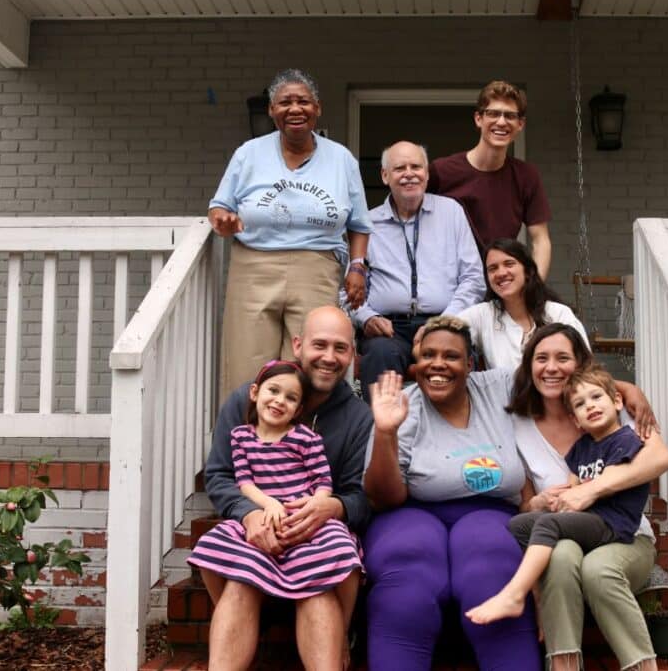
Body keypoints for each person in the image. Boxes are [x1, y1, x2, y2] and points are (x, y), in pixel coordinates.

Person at [363, 316, 541, 671]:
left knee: (489, 573)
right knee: (407, 584)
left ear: (471, 364)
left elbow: (559, 376)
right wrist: (386, 433)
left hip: (490, 512)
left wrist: (625, 389)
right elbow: (384, 498)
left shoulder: (498, 386)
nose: (438, 364)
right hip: (409, 511)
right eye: (428, 355)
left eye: (451, 356)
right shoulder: (402, 404)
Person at [201, 306, 372, 671]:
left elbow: (362, 497)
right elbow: (219, 475)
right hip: (258, 532)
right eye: (319, 345)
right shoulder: (247, 400)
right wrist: (249, 515)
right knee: (239, 581)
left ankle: (340, 638)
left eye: (340, 348)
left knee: (319, 588)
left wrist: (333, 507)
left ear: (352, 356)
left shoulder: (358, 417)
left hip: (315, 538)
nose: (329, 357)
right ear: (298, 345)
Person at [508, 323, 668, 671]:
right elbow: (527, 505)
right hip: (566, 533)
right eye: (541, 358)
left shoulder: (616, 410)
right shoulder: (518, 425)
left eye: (562, 358)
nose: (551, 367)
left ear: (579, 362)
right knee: (561, 553)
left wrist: (593, 489)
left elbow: (660, 457)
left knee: (598, 569)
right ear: (529, 366)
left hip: (626, 537)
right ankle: (564, 664)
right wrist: (540, 503)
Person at [466, 365, 654, 659]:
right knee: (520, 524)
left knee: (549, 527)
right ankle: (543, 612)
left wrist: (575, 500)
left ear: (617, 402)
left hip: (614, 524)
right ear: (575, 419)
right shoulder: (582, 449)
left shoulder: (626, 440)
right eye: (580, 404)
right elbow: (573, 485)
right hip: (588, 523)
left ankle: (515, 593)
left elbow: (611, 483)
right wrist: (557, 499)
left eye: (596, 398)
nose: (589, 406)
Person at [209, 68, 373, 398]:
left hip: (316, 267)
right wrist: (224, 221)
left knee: (312, 362)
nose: (294, 109)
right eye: (284, 102)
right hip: (254, 266)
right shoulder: (249, 153)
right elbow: (219, 207)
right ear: (272, 111)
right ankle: (247, 443)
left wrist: (357, 266)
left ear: (318, 108)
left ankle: (307, 444)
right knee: (247, 361)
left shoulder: (341, 159)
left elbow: (358, 225)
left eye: (303, 101)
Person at [350, 141, 484, 397]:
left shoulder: (452, 213)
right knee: (379, 353)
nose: (409, 173)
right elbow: (349, 289)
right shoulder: (368, 224)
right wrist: (367, 317)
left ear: (427, 173)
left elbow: (473, 279)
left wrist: (445, 320)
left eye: (416, 166)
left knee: (449, 353)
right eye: (400, 168)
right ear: (385, 175)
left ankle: (454, 434)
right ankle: (380, 433)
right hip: (388, 329)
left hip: (445, 319)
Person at [428, 81, 552, 277]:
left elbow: (540, 240)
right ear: (478, 119)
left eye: (510, 115)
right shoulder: (440, 171)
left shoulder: (526, 176)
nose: (501, 122)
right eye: (493, 113)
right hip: (448, 285)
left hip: (499, 283)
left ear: (520, 124)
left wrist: (534, 290)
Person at [456, 238, 588, 370]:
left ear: (528, 271)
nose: (501, 273)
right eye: (492, 268)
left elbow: (586, 364)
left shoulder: (558, 313)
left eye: (509, 264)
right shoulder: (482, 315)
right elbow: (444, 334)